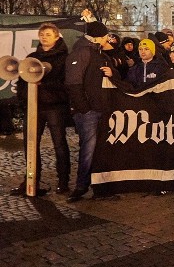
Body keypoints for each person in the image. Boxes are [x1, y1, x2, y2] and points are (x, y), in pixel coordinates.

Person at [10, 23, 71, 196]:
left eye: (48, 34)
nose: (44, 37)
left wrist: (44, 86)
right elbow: (22, 81)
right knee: (30, 145)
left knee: (59, 144)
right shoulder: (32, 57)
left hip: (54, 107)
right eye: (42, 34)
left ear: (57, 37)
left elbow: (65, 84)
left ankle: (63, 181)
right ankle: (31, 181)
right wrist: (25, 98)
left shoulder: (64, 58)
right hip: (34, 106)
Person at [65, 19, 114, 202]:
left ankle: (97, 185)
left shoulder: (94, 51)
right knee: (88, 149)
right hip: (89, 111)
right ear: (99, 37)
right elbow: (73, 84)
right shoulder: (83, 52)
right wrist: (85, 109)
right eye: (105, 36)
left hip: (96, 108)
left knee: (94, 149)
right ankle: (81, 185)